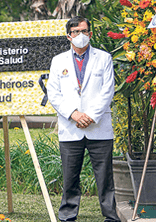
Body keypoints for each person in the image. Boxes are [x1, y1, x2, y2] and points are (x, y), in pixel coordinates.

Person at [47, 16, 120, 222]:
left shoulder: (103, 58)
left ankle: (111, 217)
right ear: (68, 35)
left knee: (105, 178)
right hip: (71, 128)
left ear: (90, 33)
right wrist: (74, 114)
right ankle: (68, 216)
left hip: (99, 126)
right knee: (70, 178)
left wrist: (90, 115)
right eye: (76, 31)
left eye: (85, 31)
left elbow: (108, 91)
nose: (81, 35)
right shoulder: (58, 61)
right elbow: (53, 93)